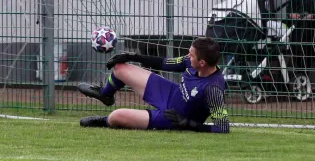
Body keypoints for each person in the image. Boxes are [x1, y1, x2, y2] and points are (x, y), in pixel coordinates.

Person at [77, 37, 230, 134]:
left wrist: (188, 124)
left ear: (202, 63)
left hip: (172, 118)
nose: (188, 56)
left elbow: (222, 128)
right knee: (119, 68)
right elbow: (164, 63)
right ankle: (105, 94)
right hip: (169, 93)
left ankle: (104, 120)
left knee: (115, 117)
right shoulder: (190, 62)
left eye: (191, 55)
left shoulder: (213, 89)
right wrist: (133, 56)